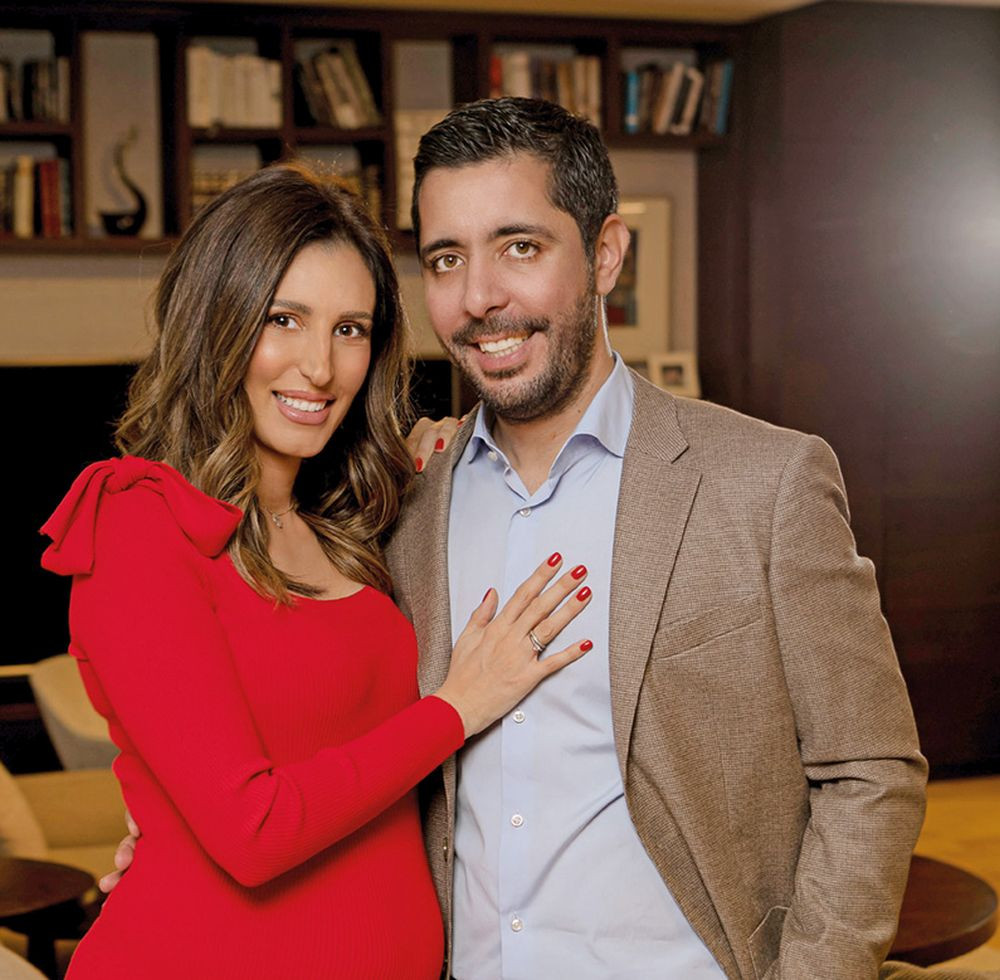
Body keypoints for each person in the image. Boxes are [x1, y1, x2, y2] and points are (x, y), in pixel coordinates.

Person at [386, 98, 928, 978]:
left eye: (520, 247)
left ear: (606, 254)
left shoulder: (767, 483)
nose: (479, 297)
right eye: (447, 258)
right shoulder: (406, 505)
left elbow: (870, 768)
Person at [39, 161, 594, 979]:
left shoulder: (349, 523)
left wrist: (433, 467)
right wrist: (457, 707)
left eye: (349, 329)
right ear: (217, 320)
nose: (320, 368)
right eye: (284, 319)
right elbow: (254, 829)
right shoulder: (140, 522)